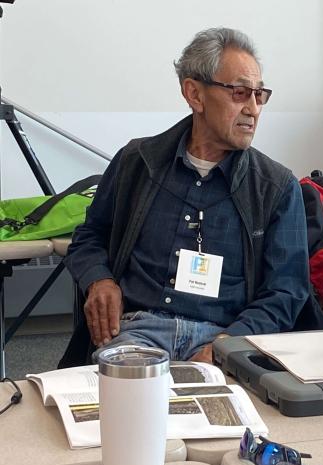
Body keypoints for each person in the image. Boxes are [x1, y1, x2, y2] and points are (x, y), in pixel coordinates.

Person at [60, 27, 309, 366]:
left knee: (215, 413)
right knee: (127, 407)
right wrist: (100, 280)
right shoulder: (137, 162)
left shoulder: (276, 187)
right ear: (194, 94)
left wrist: (228, 344)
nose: (253, 109)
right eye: (239, 92)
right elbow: (89, 236)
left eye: (259, 95)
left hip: (225, 335)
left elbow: (287, 292)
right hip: (138, 331)